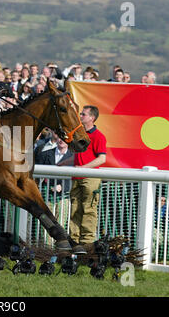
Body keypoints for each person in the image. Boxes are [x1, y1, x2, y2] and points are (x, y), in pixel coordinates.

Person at [69, 105, 107, 249]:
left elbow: (101, 159)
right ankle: (74, 241)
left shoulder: (98, 136)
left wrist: (82, 168)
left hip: (90, 178)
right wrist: (62, 164)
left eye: (83, 114)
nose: (81, 116)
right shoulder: (79, 134)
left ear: (92, 118)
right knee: (75, 209)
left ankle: (87, 243)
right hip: (77, 177)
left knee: (89, 209)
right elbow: (78, 157)